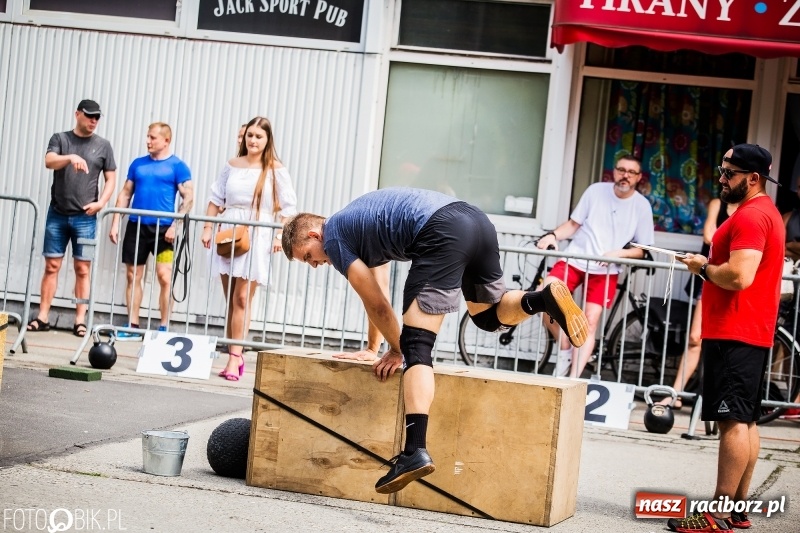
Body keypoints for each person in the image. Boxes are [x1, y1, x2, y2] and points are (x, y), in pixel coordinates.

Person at [281, 187, 589, 494]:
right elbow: (378, 293)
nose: (315, 264)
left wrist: (398, 349)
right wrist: (374, 348)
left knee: (417, 345)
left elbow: (376, 304)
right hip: (476, 222)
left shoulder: (334, 239)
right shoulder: (357, 222)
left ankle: (414, 450)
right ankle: (543, 299)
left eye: (308, 257)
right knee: (487, 316)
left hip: (440, 230)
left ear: (313, 235)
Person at [669, 144, 784, 533]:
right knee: (746, 422)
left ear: (754, 178)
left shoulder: (752, 217)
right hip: (747, 331)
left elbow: (739, 277)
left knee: (733, 423)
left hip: (737, 330)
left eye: (730, 173)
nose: (721, 178)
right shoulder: (762, 213)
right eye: (722, 169)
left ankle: (716, 515)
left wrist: (703, 266)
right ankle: (736, 509)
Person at [536, 154, 654, 378]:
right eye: (621, 170)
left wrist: (618, 253)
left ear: (638, 177)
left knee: (589, 322)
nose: (625, 175)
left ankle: (572, 381)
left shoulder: (642, 206)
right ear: (614, 171)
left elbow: (643, 249)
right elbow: (572, 225)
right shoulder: (595, 191)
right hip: (575, 258)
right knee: (544, 298)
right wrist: (552, 235)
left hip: (606, 269)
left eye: (631, 172)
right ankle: (565, 349)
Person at [201, 116, 297, 381]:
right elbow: (215, 197)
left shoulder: (276, 169)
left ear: (268, 140)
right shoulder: (232, 165)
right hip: (228, 232)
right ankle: (236, 351)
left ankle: (234, 358)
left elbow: (288, 210)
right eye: (250, 135)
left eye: (259, 136)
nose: (253, 140)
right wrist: (208, 228)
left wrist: (280, 236)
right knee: (231, 298)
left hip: (258, 235)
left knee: (242, 298)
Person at [27, 99, 117, 337]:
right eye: (89, 116)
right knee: (52, 265)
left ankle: (80, 321)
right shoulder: (60, 139)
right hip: (57, 214)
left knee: (82, 269)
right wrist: (70, 157)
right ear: (77, 114)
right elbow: (49, 161)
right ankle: (43, 317)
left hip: (85, 218)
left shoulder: (104, 146)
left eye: (97, 117)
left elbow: (111, 179)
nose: (94, 121)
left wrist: (101, 203)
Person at [108, 123, 193, 339]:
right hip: (137, 226)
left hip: (164, 229)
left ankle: (163, 326)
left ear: (166, 140)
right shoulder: (138, 164)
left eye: (153, 137)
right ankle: (133, 326)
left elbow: (189, 198)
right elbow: (126, 193)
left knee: (165, 277)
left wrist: (176, 225)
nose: (148, 141)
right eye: (147, 136)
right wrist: (116, 221)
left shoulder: (178, 166)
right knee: (133, 275)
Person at [659, 198, 737, 409]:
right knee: (695, 338)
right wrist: (736, 244)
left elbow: (717, 238)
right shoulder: (718, 204)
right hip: (710, 274)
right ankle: (675, 394)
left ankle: (724, 400)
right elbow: (708, 236)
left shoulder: (751, 211)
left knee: (729, 341)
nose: (725, 179)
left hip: (734, 277)